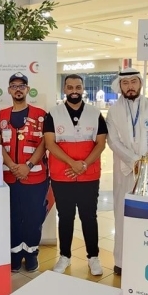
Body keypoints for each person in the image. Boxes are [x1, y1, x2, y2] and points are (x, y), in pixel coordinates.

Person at [105, 68, 148, 275]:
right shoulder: (113, 111)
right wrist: (134, 160)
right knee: (123, 214)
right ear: (120, 86)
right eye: (125, 83)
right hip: (125, 170)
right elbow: (112, 141)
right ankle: (121, 261)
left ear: (140, 83)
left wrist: (146, 160)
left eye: (133, 82)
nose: (130, 86)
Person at [44, 74, 108, 276]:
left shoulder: (95, 113)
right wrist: (72, 163)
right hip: (62, 175)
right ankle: (64, 256)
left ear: (83, 89)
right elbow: (50, 143)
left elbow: (101, 143)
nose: (74, 91)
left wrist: (84, 164)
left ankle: (93, 257)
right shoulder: (53, 114)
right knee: (65, 217)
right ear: (64, 89)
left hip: (89, 175)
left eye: (78, 87)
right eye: (70, 87)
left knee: (89, 216)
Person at [0, 73, 49, 272]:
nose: (18, 89)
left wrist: (28, 166)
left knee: (34, 218)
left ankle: (31, 254)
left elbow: (45, 143)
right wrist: (12, 166)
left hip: (35, 177)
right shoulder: (1, 116)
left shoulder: (41, 115)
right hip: (8, 178)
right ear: (9, 90)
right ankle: (15, 254)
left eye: (22, 86)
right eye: (14, 86)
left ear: (27, 89)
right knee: (13, 218)